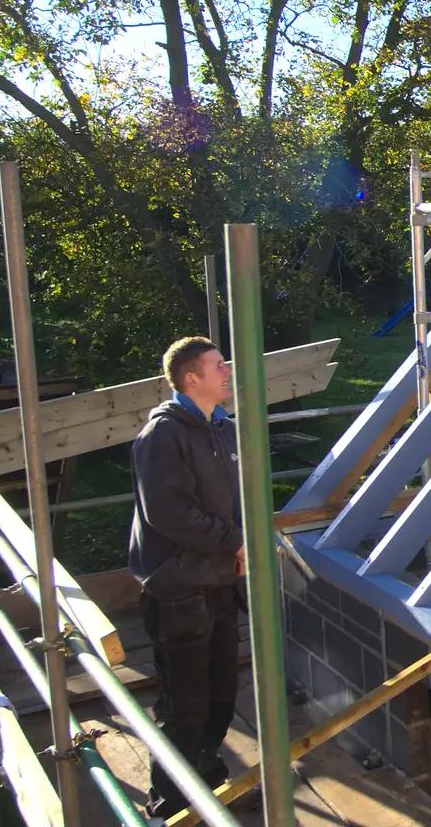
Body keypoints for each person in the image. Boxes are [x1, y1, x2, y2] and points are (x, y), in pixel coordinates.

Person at [129, 336, 247, 818]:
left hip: (218, 582)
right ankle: (174, 802)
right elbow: (169, 514)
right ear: (190, 379)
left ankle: (208, 780)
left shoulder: (223, 430)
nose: (228, 372)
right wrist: (234, 540)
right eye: (219, 366)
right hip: (179, 588)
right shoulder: (163, 435)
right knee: (184, 704)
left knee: (222, 694)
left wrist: (242, 539)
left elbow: (237, 498)